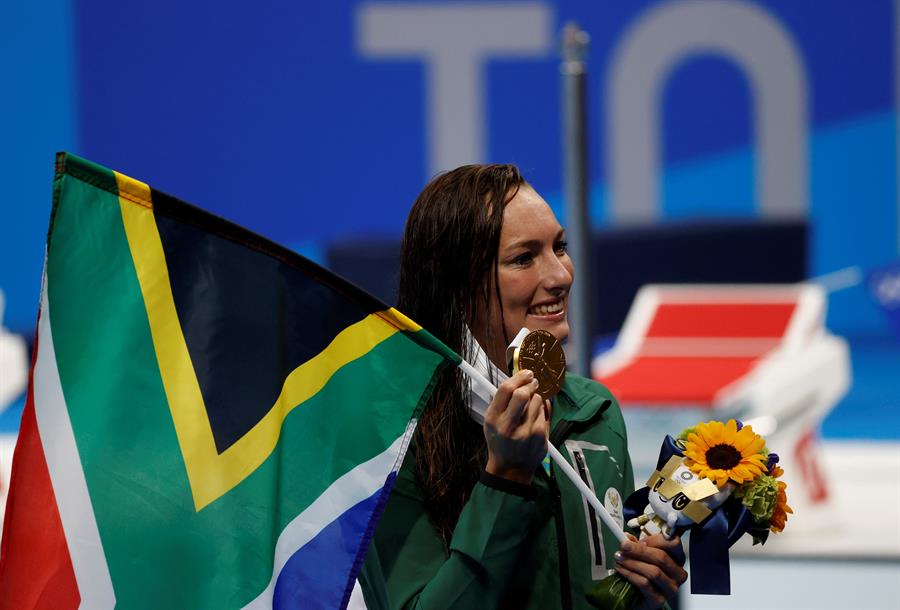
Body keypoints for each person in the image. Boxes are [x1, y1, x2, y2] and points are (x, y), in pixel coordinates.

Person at [359, 164, 686, 609]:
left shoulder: (594, 413)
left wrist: (646, 592)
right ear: (456, 286)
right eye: (523, 258)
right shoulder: (394, 437)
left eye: (559, 247)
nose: (560, 276)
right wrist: (506, 479)